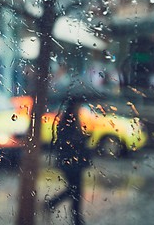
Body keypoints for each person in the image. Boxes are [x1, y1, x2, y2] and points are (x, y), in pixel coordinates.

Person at [46, 95, 92, 225]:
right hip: (70, 162)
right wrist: (81, 140)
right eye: (79, 105)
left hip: (75, 162)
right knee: (75, 190)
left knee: (75, 190)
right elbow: (66, 141)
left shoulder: (75, 120)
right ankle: (75, 219)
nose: (80, 108)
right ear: (74, 106)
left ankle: (75, 219)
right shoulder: (67, 120)